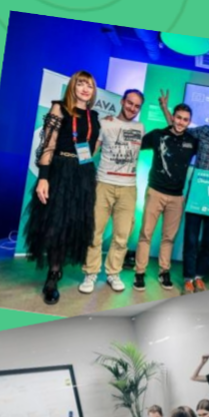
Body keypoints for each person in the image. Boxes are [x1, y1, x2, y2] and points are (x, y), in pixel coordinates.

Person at [27, 71, 103, 305]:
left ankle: (56, 271)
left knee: (71, 227)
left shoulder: (95, 116)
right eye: (80, 83)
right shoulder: (59, 108)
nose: (85, 88)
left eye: (89, 85)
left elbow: (92, 149)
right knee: (54, 227)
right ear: (72, 86)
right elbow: (47, 144)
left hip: (82, 175)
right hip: (59, 171)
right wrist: (43, 177)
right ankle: (52, 277)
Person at [158, 93, 209, 293]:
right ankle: (188, 278)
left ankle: (199, 276)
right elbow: (177, 125)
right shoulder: (201, 133)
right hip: (196, 197)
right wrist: (164, 108)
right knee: (191, 239)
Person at [80, 89, 145, 294]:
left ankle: (113, 273)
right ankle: (90, 273)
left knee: (122, 236)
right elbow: (92, 151)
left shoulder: (140, 128)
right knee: (94, 232)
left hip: (128, 188)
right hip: (103, 184)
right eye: (130, 103)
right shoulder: (105, 123)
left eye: (137, 106)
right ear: (123, 101)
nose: (132, 108)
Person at [133, 103, 199, 292]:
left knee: (168, 238)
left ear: (189, 122)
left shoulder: (192, 141)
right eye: (178, 117)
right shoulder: (157, 135)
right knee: (146, 234)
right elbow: (134, 143)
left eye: (185, 119)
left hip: (177, 198)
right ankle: (139, 272)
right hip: (156, 192)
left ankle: (164, 271)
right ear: (173, 118)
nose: (181, 122)